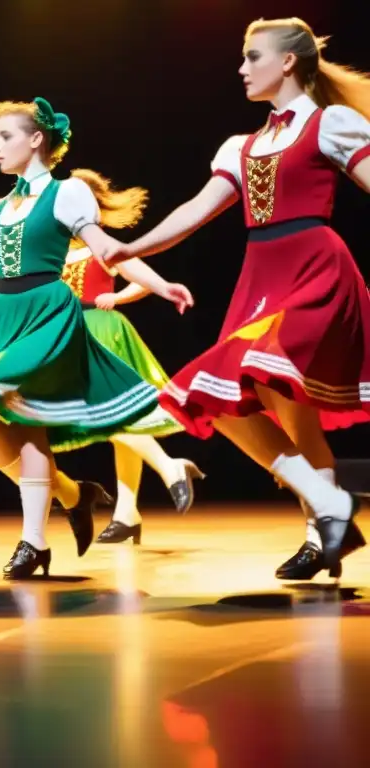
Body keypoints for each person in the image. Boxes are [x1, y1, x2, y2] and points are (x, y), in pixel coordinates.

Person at [0, 98, 193, 579]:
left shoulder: (67, 194)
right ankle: (69, 493)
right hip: (9, 317)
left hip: (49, 312)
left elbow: (107, 250)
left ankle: (34, 540)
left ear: (36, 139)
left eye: (6, 136)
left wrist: (157, 284)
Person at [97, 17, 370, 578]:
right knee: (253, 410)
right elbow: (195, 210)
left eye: (253, 56)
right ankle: (326, 528)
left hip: (315, 270)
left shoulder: (329, 123)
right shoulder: (241, 146)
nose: (242, 68)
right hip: (261, 277)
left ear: (288, 61)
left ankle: (329, 514)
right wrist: (132, 248)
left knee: (238, 380)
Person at [58, 243, 205, 544]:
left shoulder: (99, 244)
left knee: (109, 417)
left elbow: (142, 279)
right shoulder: (54, 248)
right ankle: (127, 514)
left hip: (102, 332)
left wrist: (117, 296)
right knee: (121, 422)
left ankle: (168, 466)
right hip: (72, 333)